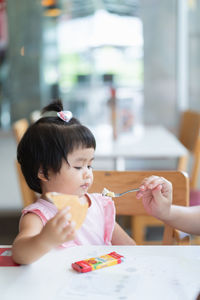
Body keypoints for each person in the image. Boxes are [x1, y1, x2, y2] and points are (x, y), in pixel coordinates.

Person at [12, 100, 135, 265]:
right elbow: (20, 254)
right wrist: (44, 240)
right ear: (43, 172)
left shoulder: (99, 206)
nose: (88, 174)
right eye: (78, 166)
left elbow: (132, 249)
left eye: (89, 165)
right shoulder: (39, 216)